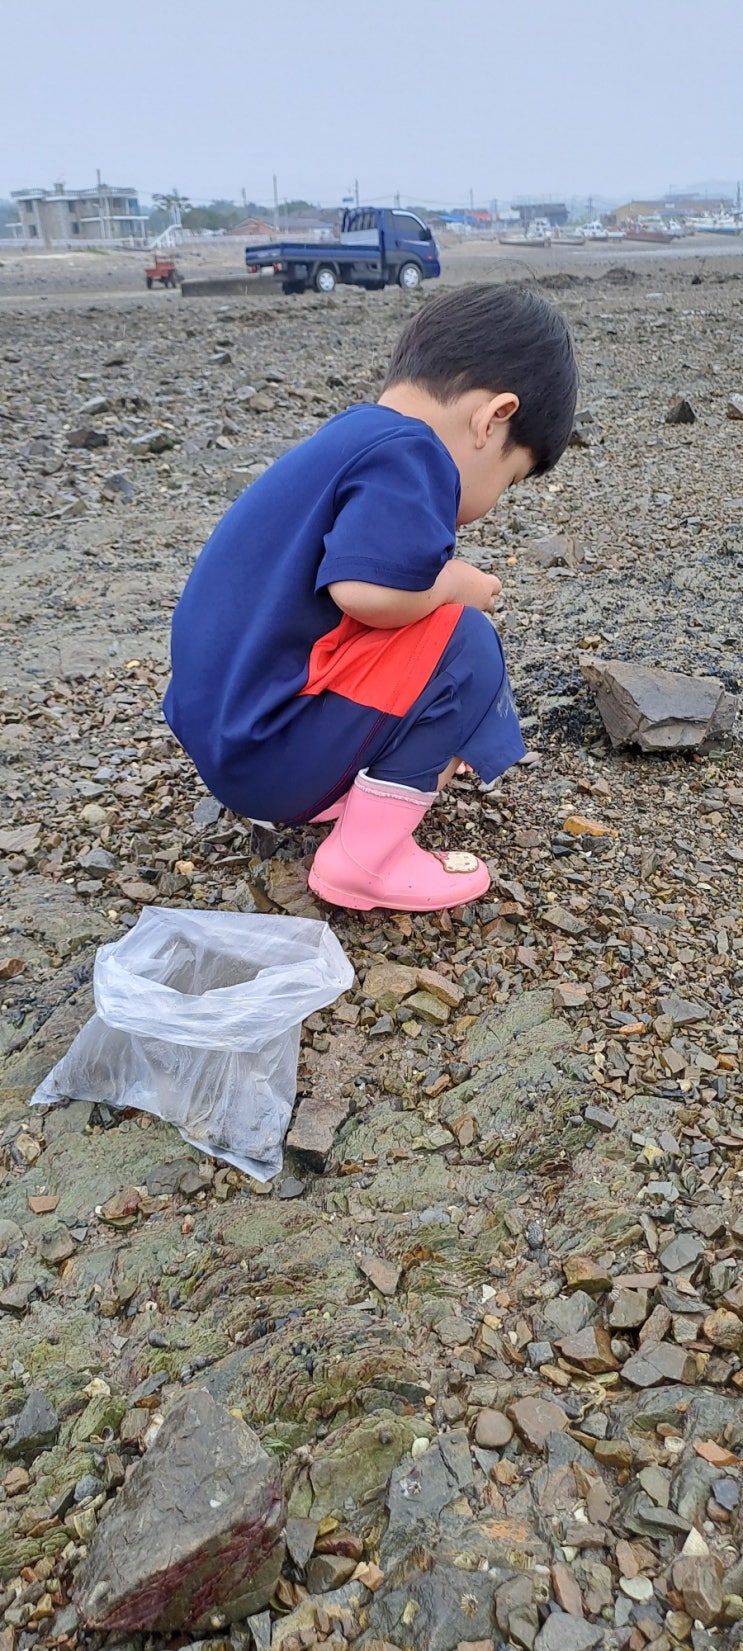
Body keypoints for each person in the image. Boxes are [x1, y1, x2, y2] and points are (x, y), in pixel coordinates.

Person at [163, 284, 578, 914]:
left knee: (423, 633)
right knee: (464, 641)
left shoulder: (351, 436)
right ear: (492, 419)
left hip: (227, 738)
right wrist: (454, 584)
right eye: (511, 476)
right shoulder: (416, 455)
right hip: (269, 756)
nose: (495, 503)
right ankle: (365, 858)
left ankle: (352, 778)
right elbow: (365, 595)